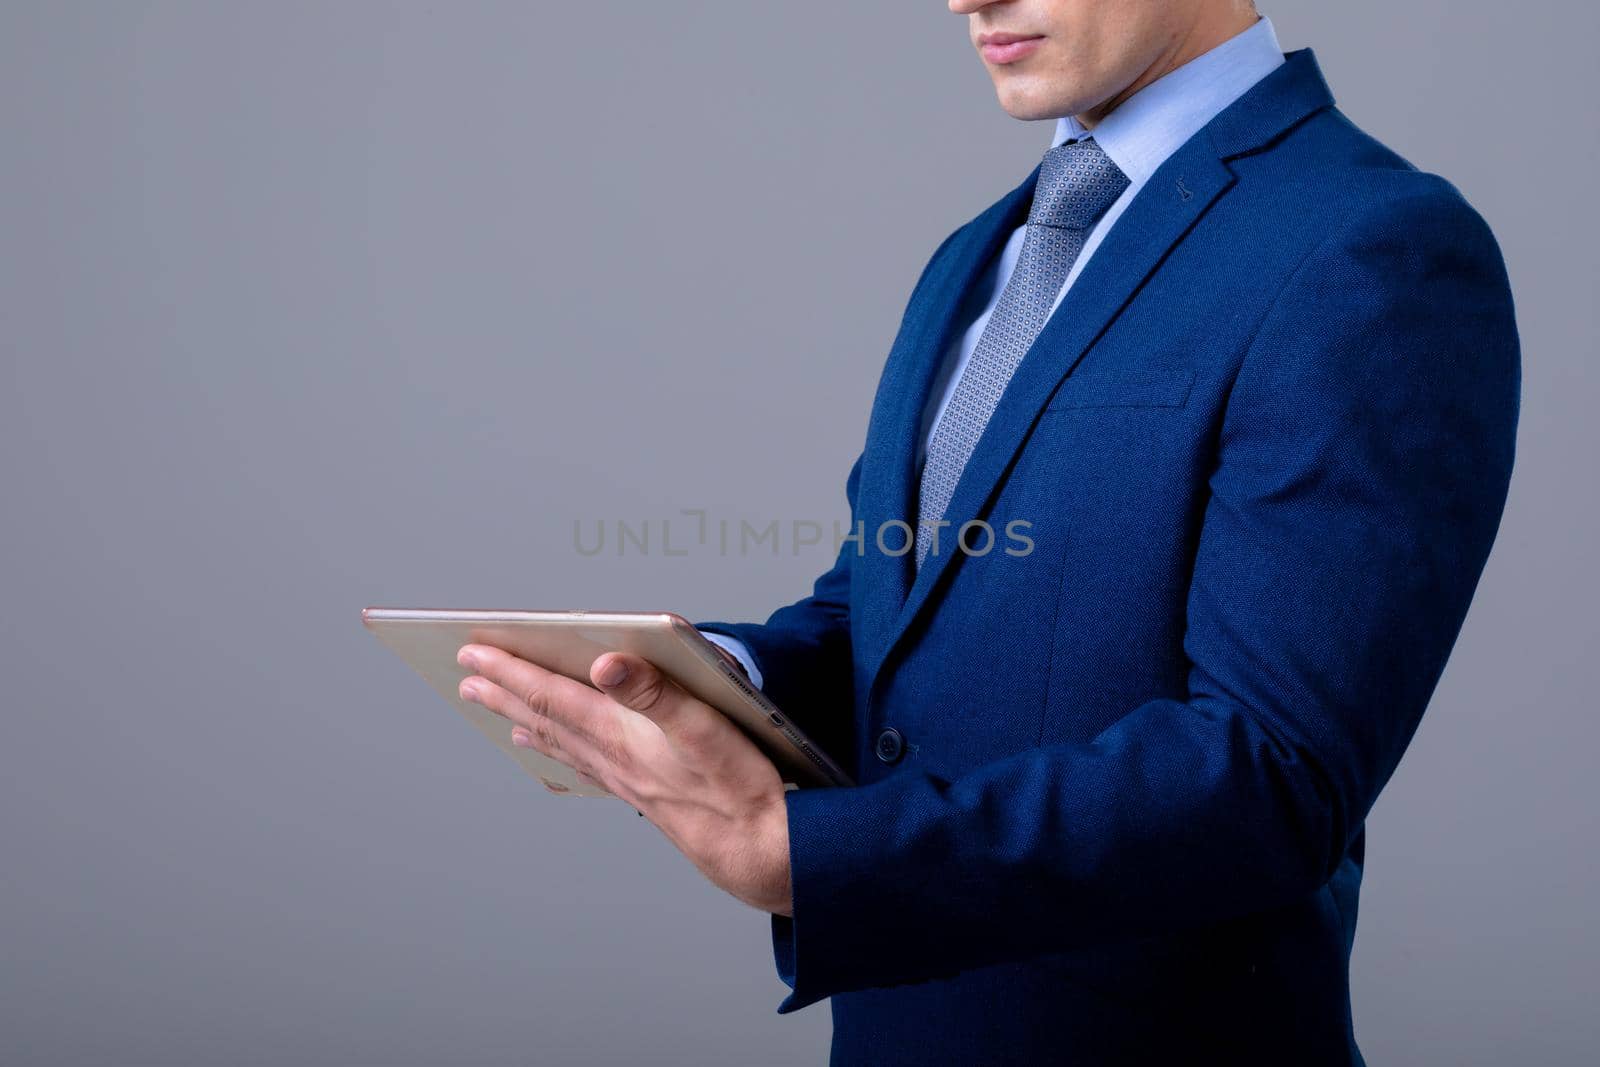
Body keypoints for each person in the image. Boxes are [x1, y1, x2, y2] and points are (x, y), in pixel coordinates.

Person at [453, 1, 1520, 1062]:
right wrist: (695, 677)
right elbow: (887, 607)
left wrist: (812, 857)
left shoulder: (1370, 247)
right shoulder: (978, 252)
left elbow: (1270, 772)